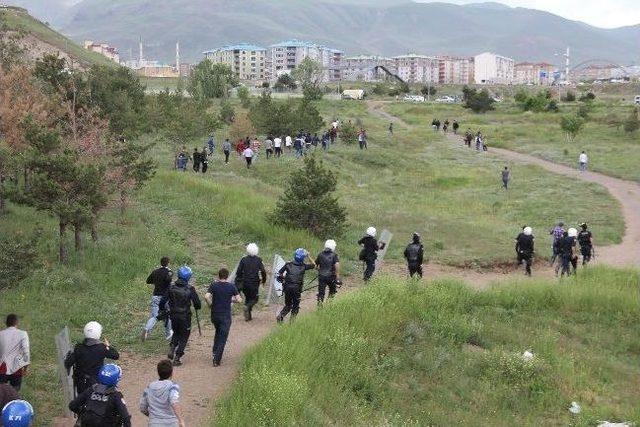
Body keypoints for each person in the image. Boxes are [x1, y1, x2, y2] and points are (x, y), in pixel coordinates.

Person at [64, 321, 119, 395]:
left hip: (81, 382)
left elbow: (68, 362)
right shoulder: (102, 348)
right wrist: (108, 346)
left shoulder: (78, 348)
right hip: (96, 383)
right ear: (98, 333)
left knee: (81, 401)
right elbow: (116, 355)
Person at [205, 268, 242, 366]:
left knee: (218, 332)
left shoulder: (214, 285)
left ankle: (214, 352)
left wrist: (210, 305)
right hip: (225, 316)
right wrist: (231, 300)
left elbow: (206, 296)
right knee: (223, 338)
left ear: (219, 275)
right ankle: (216, 359)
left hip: (215, 314)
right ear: (227, 276)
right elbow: (239, 300)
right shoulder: (231, 287)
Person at [167, 266, 201, 366]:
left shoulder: (171, 287)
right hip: (185, 316)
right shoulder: (190, 289)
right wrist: (196, 305)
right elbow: (197, 304)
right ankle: (177, 357)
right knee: (184, 335)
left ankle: (172, 346)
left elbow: (164, 300)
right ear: (188, 277)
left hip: (173, 315)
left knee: (176, 331)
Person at [139, 360, 185, 427]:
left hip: (154, 424)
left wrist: (153, 417)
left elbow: (142, 407)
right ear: (171, 372)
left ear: (158, 372)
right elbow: (174, 401)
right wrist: (181, 420)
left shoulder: (149, 387)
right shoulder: (172, 386)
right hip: (171, 423)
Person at [276, 249, 316, 323]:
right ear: (302, 258)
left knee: (288, 305)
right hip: (296, 289)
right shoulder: (304, 266)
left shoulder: (288, 264)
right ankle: (291, 323)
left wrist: (285, 278)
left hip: (287, 287)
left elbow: (279, 273)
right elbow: (314, 265)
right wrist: (308, 256)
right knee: (295, 306)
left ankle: (281, 316)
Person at [142, 257, 173, 342]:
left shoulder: (155, 271)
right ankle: (168, 333)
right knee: (167, 315)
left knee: (154, 316)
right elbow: (168, 280)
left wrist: (156, 282)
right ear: (168, 263)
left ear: (161, 263)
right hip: (165, 297)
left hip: (155, 296)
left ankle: (147, 329)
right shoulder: (169, 272)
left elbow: (148, 281)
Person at [235, 243, 267, 321]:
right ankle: (247, 307)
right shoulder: (259, 260)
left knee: (248, 297)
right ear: (256, 250)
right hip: (254, 283)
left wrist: (239, 279)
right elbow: (263, 271)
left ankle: (248, 317)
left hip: (244, 282)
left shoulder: (243, 259)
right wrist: (263, 280)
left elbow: (238, 271)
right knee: (255, 299)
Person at [0, 315, 30, 391]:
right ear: (17, 322)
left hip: (2, 368)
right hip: (16, 369)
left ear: (6, 323)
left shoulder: (1, 334)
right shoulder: (23, 334)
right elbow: (26, 352)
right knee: (14, 395)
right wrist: (25, 369)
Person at [315, 240, 341, 306]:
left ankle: (319, 307)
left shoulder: (320, 254)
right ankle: (329, 304)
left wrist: (319, 270)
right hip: (331, 276)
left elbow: (316, 265)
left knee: (321, 293)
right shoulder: (334, 255)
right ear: (333, 247)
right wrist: (337, 275)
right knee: (332, 290)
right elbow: (337, 264)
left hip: (321, 276)